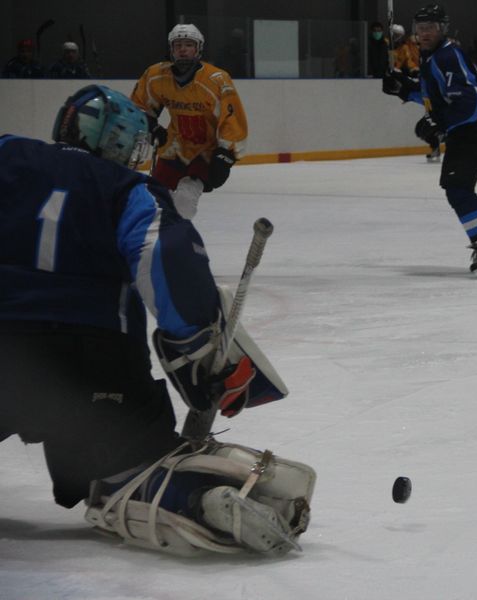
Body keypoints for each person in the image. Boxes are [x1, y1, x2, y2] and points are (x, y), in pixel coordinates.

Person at [0, 85, 315, 556]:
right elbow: (165, 257)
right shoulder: (130, 190)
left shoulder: (7, 154)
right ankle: (191, 497)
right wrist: (200, 353)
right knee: (129, 466)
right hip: (93, 364)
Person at [382, 4, 477, 276]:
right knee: (459, 187)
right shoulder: (432, 57)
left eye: (430, 28)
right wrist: (404, 89)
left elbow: (470, 101)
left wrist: (439, 123)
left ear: (442, 29)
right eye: (420, 28)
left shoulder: (448, 56)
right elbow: (437, 97)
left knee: (457, 188)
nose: (424, 33)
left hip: (472, 131)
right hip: (467, 131)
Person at [131, 24, 248, 220]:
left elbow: (232, 120)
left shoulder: (216, 80)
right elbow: (139, 106)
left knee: (185, 199)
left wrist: (225, 155)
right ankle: (157, 238)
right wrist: (151, 126)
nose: (183, 49)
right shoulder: (156, 76)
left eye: (188, 45)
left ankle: (177, 237)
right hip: (174, 146)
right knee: (154, 197)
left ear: (198, 49)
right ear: (171, 49)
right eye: (178, 45)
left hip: (206, 151)